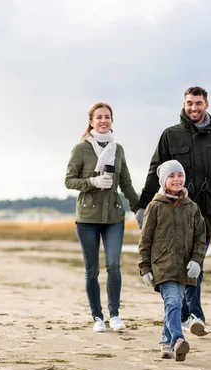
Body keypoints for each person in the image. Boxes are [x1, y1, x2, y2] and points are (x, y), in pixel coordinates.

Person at [136, 86, 211, 336]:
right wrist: (143, 205)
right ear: (183, 105)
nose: (193, 108)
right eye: (189, 103)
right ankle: (190, 315)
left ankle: (191, 314)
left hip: (204, 207)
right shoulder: (170, 135)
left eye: (198, 103)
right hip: (172, 208)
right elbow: (155, 170)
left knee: (197, 258)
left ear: (206, 104)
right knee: (176, 261)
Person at [65, 102, 140, 332]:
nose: (103, 120)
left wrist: (139, 208)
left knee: (113, 266)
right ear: (91, 121)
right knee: (92, 271)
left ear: (112, 121)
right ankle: (97, 317)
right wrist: (92, 182)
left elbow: (125, 182)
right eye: (99, 117)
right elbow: (69, 180)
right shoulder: (81, 149)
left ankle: (115, 315)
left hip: (114, 217)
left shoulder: (118, 149)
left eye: (107, 117)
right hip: (87, 218)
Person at [138, 160, 207, 362]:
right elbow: (145, 239)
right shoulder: (155, 206)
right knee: (174, 302)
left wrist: (196, 260)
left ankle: (165, 342)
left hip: (185, 268)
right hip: (163, 266)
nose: (177, 179)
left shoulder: (192, 208)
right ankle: (178, 340)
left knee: (172, 306)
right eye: (171, 176)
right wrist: (144, 268)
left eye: (180, 175)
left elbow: (200, 238)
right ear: (163, 181)